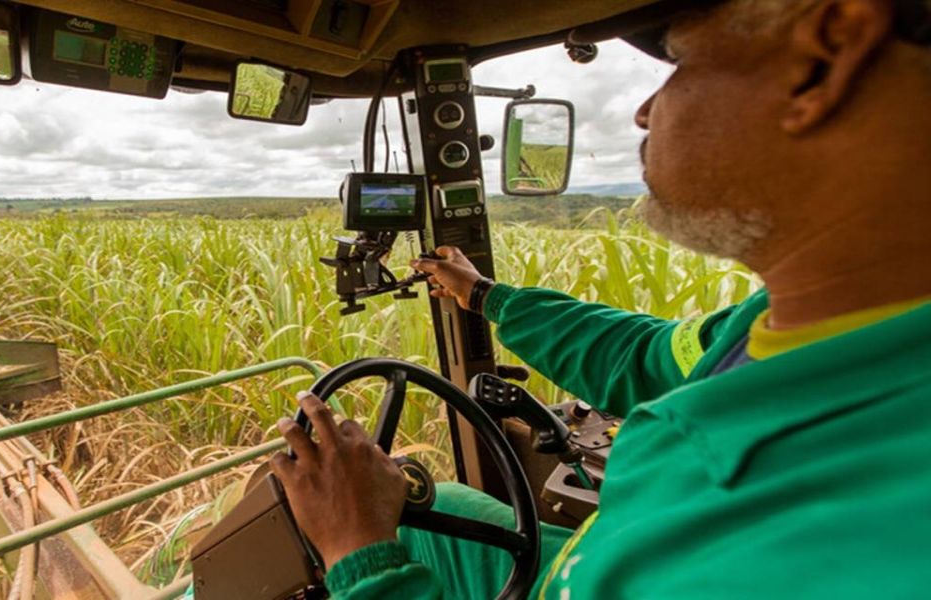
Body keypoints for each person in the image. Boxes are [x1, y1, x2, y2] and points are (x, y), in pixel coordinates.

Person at [269, 0, 931, 598]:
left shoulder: (862, 552)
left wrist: (361, 558)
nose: (644, 110)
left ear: (822, 62)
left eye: (679, 61)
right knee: (452, 509)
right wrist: (487, 297)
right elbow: (644, 355)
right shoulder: (785, 324)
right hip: (581, 563)